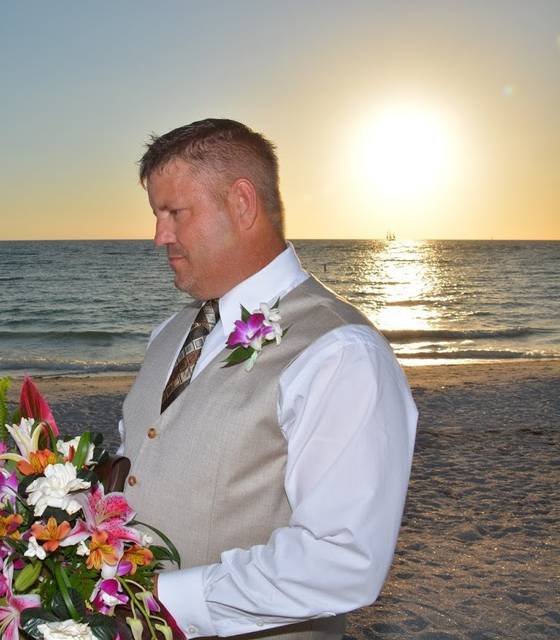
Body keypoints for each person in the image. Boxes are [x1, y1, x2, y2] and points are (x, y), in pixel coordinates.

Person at [119, 119, 417, 639]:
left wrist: (162, 598)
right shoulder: (169, 334)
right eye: (156, 215)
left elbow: (340, 559)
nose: (159, 236)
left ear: (241, 202)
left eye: (175, 213)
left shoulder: (340, 353)